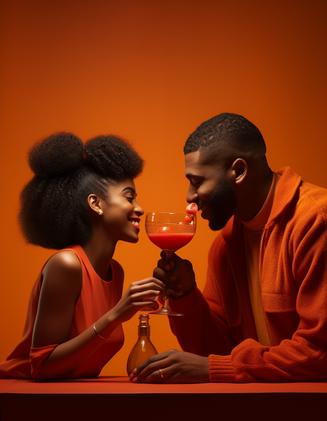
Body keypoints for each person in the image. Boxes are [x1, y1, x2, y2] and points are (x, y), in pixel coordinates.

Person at [130, 112, 327, 383]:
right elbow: (215, 352)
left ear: (238, 171)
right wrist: (186, 295)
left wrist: (214, 368)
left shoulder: (315, 222)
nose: (189, 196)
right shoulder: (226, 243)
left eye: (197, 181)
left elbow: (319, 354)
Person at [0, 132, 163, 379]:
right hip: (25, 401)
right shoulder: (66, 265)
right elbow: (42, 367)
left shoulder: (115, 271)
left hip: (74, 401)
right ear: (96, 204)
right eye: (129, 196)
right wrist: (117, 314)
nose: (139, 208)